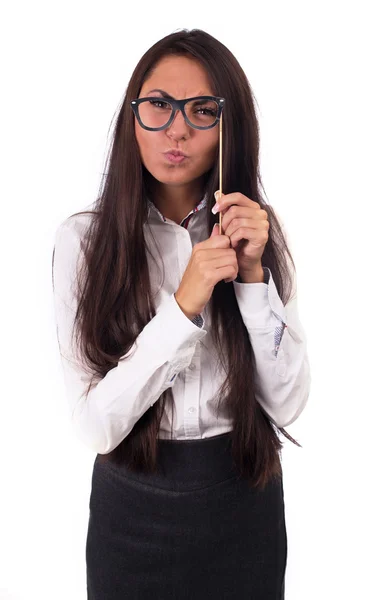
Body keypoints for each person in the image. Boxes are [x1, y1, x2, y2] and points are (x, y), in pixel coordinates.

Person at [52, 28, 311, 600]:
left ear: (229, 125)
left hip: (242, 498)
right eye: (159, 107)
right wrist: (184, 304)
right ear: (133, 115)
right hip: (132, 504)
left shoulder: (256, 233)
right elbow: (96, 425)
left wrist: (250, 277)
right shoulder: (85, 241)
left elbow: (288, 403)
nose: (176, 130)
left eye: (201, 111)